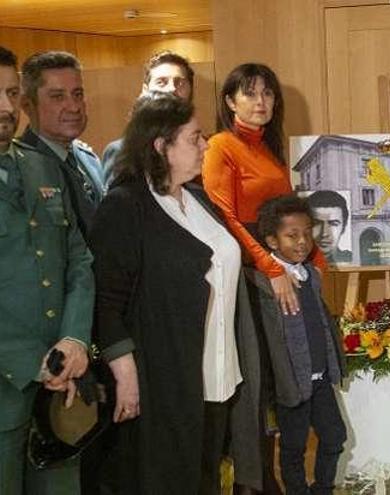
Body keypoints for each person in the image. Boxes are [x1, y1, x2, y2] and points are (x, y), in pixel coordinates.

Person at [89, 94, 262, 494]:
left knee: (204, 479)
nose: (206, 145)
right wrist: (126, 373)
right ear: (160, 145)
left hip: (217, 377)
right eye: (195, 137)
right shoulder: (125, 205)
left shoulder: (199, 198)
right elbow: (106, 300)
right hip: (161, 381)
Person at [0, 45, 94, 495]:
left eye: (10, 93)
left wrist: (74, 338)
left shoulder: (41, 165)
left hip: (60, 390)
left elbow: (77, 258)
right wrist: (31, 362)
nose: (5, 107)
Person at [203, 63, 326, 319]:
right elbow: (223, 218)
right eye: (249, 93)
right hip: (248, 268)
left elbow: (292, 213)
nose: (260, 101)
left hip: (282, 262)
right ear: (230, 102)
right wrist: (270, 268)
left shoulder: (270, 149)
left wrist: (317, 260)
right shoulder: (219, 146)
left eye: (267, 93)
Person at [248, 195, 346, 495]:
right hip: (291, 385)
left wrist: (333, 364)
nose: (302, 241)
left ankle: (323, 489)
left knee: (334, 437)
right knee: (293, 447)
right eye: (292, 235)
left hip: (320, 379)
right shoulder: (265, 283)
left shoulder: (311, 275)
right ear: (272, 241)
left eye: (307, 233)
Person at [18, 51, 104, 237]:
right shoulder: (19, 169)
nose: (74, 106)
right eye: (58, 97)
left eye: (77, 94)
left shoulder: (89, 159)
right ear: (27, 105)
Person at [101, 50, 195, 180]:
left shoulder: (198, 148)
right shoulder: (122, 151)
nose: (172, 89)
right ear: (145, 90)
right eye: (161, 82)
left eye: (179, 82)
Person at [306, 190, 353, 264]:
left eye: (333, 224)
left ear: (344, 227)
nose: (324, 233)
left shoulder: (353, 259)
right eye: (316, 223)